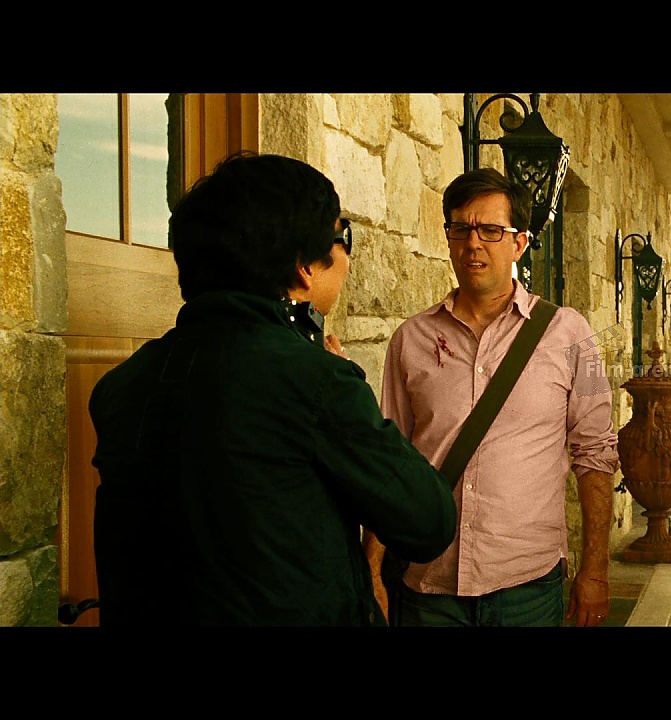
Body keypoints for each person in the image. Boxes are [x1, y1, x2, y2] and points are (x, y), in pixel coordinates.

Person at [89, 151, 458, 626]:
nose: (346, 257)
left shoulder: (123, 384)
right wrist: (343, 387)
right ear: (303, 265)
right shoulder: (315, 381)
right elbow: (428, 521)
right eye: (342, 237)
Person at [366, 167, 620, 627]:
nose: (473, 243)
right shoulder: (411, 339)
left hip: (527, 588)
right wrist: (372, 570)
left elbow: (596, 453)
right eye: (460, 229)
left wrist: (595, 569)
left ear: (519, 243)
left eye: (490, 230)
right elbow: (390, 459)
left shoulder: (571, 335)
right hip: (429, 587)